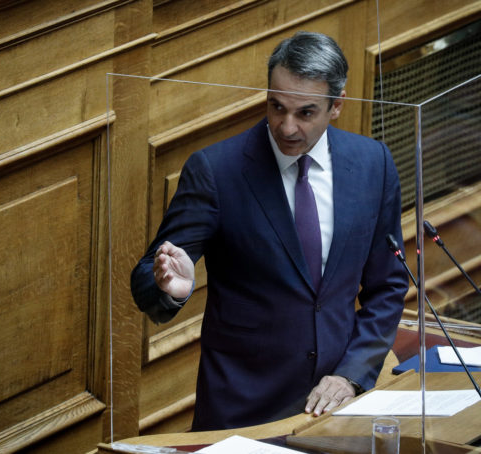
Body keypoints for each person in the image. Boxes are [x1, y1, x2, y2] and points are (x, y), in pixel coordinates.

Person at [130, 31, 408, 431]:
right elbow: (145, 277)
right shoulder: (216, 172)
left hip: (336, 406)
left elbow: (388, 286)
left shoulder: (373, 164)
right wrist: (171, 288)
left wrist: (352, 374)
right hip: (243, 410)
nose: (287, 127)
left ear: (337, 106)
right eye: (277, 107)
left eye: (305, 113)